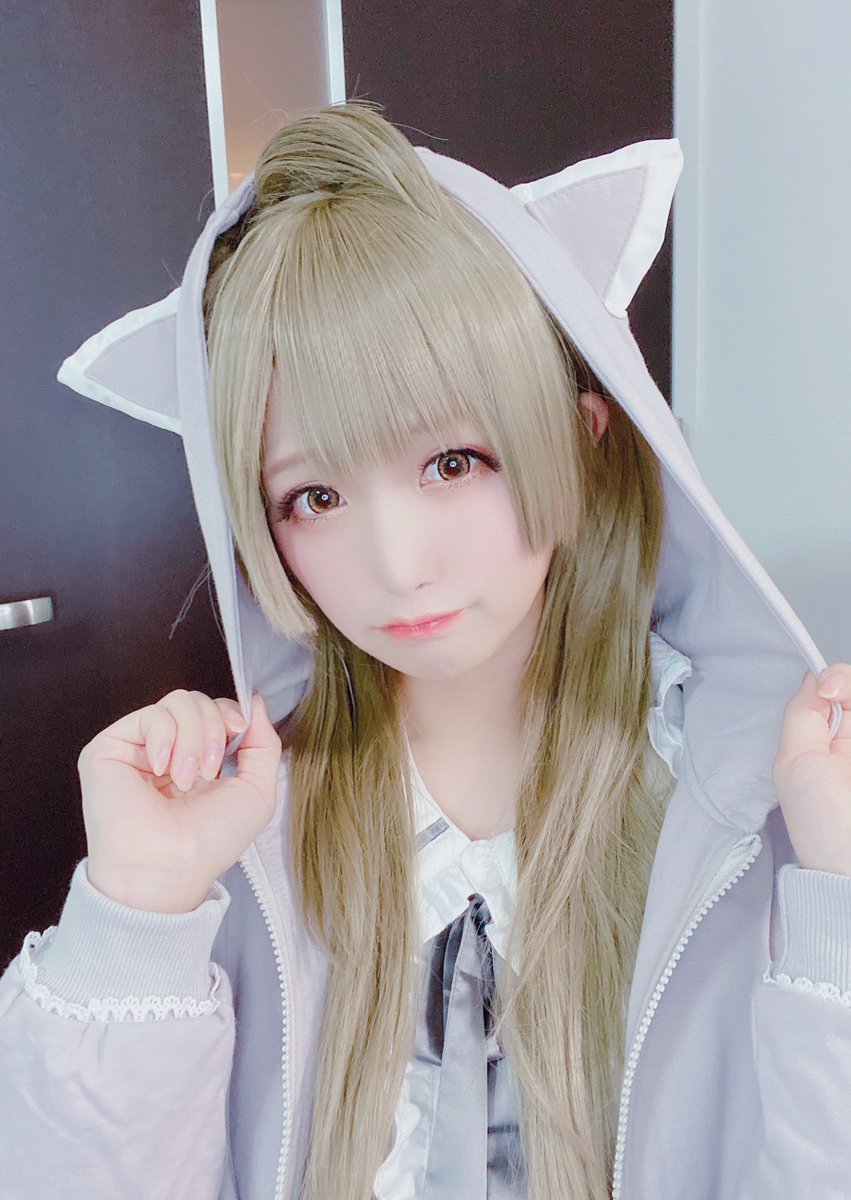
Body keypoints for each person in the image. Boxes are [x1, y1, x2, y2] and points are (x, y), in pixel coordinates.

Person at [1, 100, 849, 1200]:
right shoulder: (236, 834)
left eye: (452, 463)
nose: (397, 567)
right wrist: (136, 912)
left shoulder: (747, 809)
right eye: (313, 496)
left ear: (580, 440)